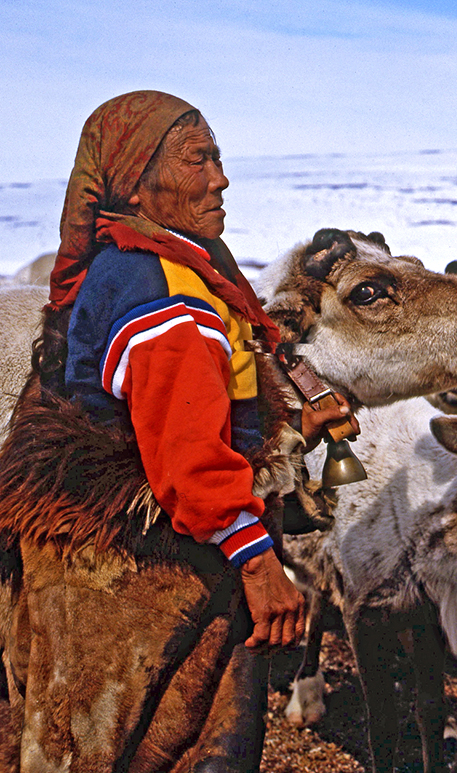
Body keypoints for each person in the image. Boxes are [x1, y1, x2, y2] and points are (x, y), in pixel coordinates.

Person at [0, 90, 354, 770]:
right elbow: (187, 460)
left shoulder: (137, 263)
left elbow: (182, 407)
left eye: (218, 160)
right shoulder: (168, 294)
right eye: (200, 161)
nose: (221, 179)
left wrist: (280, 420)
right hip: (140, 577)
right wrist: (257, 561)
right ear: (137, 179)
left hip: (90, 552)